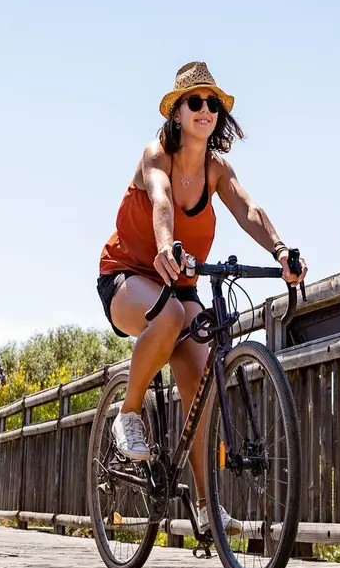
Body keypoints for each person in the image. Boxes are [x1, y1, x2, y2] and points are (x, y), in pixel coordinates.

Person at [97, 61, 306, 536]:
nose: (205, 109)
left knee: (201, 381)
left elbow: (248, 208)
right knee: (169, 315)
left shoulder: (217, 168)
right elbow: (162, 202)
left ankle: (206, 506)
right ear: (176, 112)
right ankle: (127, 414)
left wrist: (280, 250)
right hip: (128, 273)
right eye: (196, 101)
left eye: (213, 103)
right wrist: (168, 244)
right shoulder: (156, 155)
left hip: (182, 279)